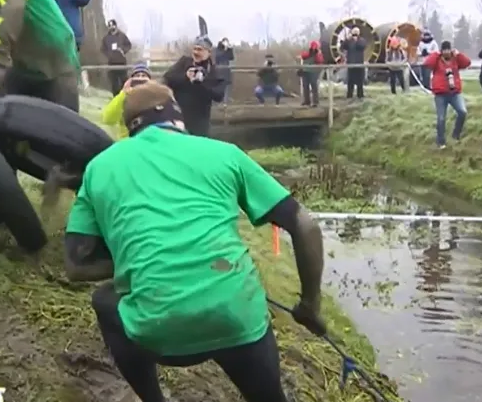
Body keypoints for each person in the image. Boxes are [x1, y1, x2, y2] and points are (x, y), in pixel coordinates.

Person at [63, 80, 326, 402]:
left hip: (156, 330)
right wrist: (310, 306)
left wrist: (138, 262)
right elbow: (305, 225)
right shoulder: (223, 153)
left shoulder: (98, 167)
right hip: (236, 317)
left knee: (105, 301)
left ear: (130, 125)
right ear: (177, 115)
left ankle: (152, 399)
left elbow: (76, 265)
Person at [162, 35, 224, 137]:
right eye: (194, 49)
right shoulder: (184, 62)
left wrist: (202, 83)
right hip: (180, 115)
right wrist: (185, 77)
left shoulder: (213, 71)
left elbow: (219, 95)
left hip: (200, 119)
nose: (196, 52)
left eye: (199, 50)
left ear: (208, 52)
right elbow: (168, 78)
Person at [424, 41, 471, 149]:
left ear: (451, 50)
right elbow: (427, 63)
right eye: (444, 50)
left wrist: (458, 54)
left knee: (462, 112)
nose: (446, 52)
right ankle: (441, 142)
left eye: (448, 50)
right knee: (441, 118)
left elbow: (467, 63)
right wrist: (436, 54)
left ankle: (456, 135)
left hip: (454, 92)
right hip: (440, 94)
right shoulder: (437, 60)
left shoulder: (455, 59)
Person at [101, 64, 151, 139]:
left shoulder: (156, 99)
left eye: (144, 76)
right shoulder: (124, 98)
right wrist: (123, 93)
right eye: (137, 76)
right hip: (127, 142)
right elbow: (107, 119)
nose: (140, 79)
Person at [101, 19, 132, 96]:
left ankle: (125, 96)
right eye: (109, 26)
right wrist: (108, 54)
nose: (111, 27)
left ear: (116, 26)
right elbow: (103, 49)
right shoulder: (106, 38)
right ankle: (115, 98)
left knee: (123, 81)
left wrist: (123, 51)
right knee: (114, 83)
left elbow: (129, 45)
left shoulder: (122, 36)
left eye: (112, 25)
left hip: (121, 62)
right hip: (111, 63)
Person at [339, 26, 366, 101]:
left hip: (359, 63)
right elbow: (342, 47)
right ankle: (349, 95)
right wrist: (347, 39)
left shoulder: (362, 40)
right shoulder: (349, 41)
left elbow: (362, 46)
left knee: (360, 81)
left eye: (356, 33)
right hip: (351, 63)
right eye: (354, 33)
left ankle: (360, 95)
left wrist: (357, 40)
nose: (355, 35)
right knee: (350, 81)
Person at [299, 40, 323, 107]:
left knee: (314, 86)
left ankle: (315, 102)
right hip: (305, 71)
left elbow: (319, 61)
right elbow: (303, 56)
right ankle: (307, 101)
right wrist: (310, 52)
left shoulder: (318, 54)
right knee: (305, 86)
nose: (314, 48)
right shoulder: (308, 53)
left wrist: (317, 53)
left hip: (313, 72)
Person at [214, 38, 234, 103]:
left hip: (226, 70)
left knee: (227, 85)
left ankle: (226, 101)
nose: (226, 43)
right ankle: (219, 100)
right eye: (225, 42)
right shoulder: (218, 49)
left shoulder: (227, 49)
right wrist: (225, 49)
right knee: (220, 85)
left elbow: (231, 57)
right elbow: (218, 56)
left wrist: (230, 49)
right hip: (220, 70)